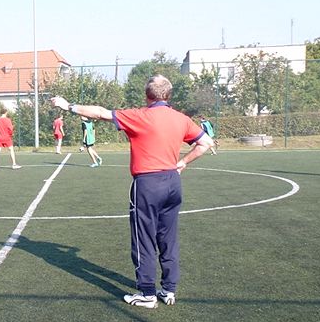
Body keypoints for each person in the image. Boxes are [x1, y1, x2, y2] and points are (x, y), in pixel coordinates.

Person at [51, 74, 214, 309]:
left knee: (143, 238)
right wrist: (182, 163)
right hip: (172, 182)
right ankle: (168, 289)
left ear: (147, 95)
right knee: (168, 238)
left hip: (148, 184)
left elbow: (100, 113)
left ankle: (147, 293)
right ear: (168, 95)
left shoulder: (140, 115)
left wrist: (68, 106)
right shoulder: (181, 119)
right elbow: (206, 143)